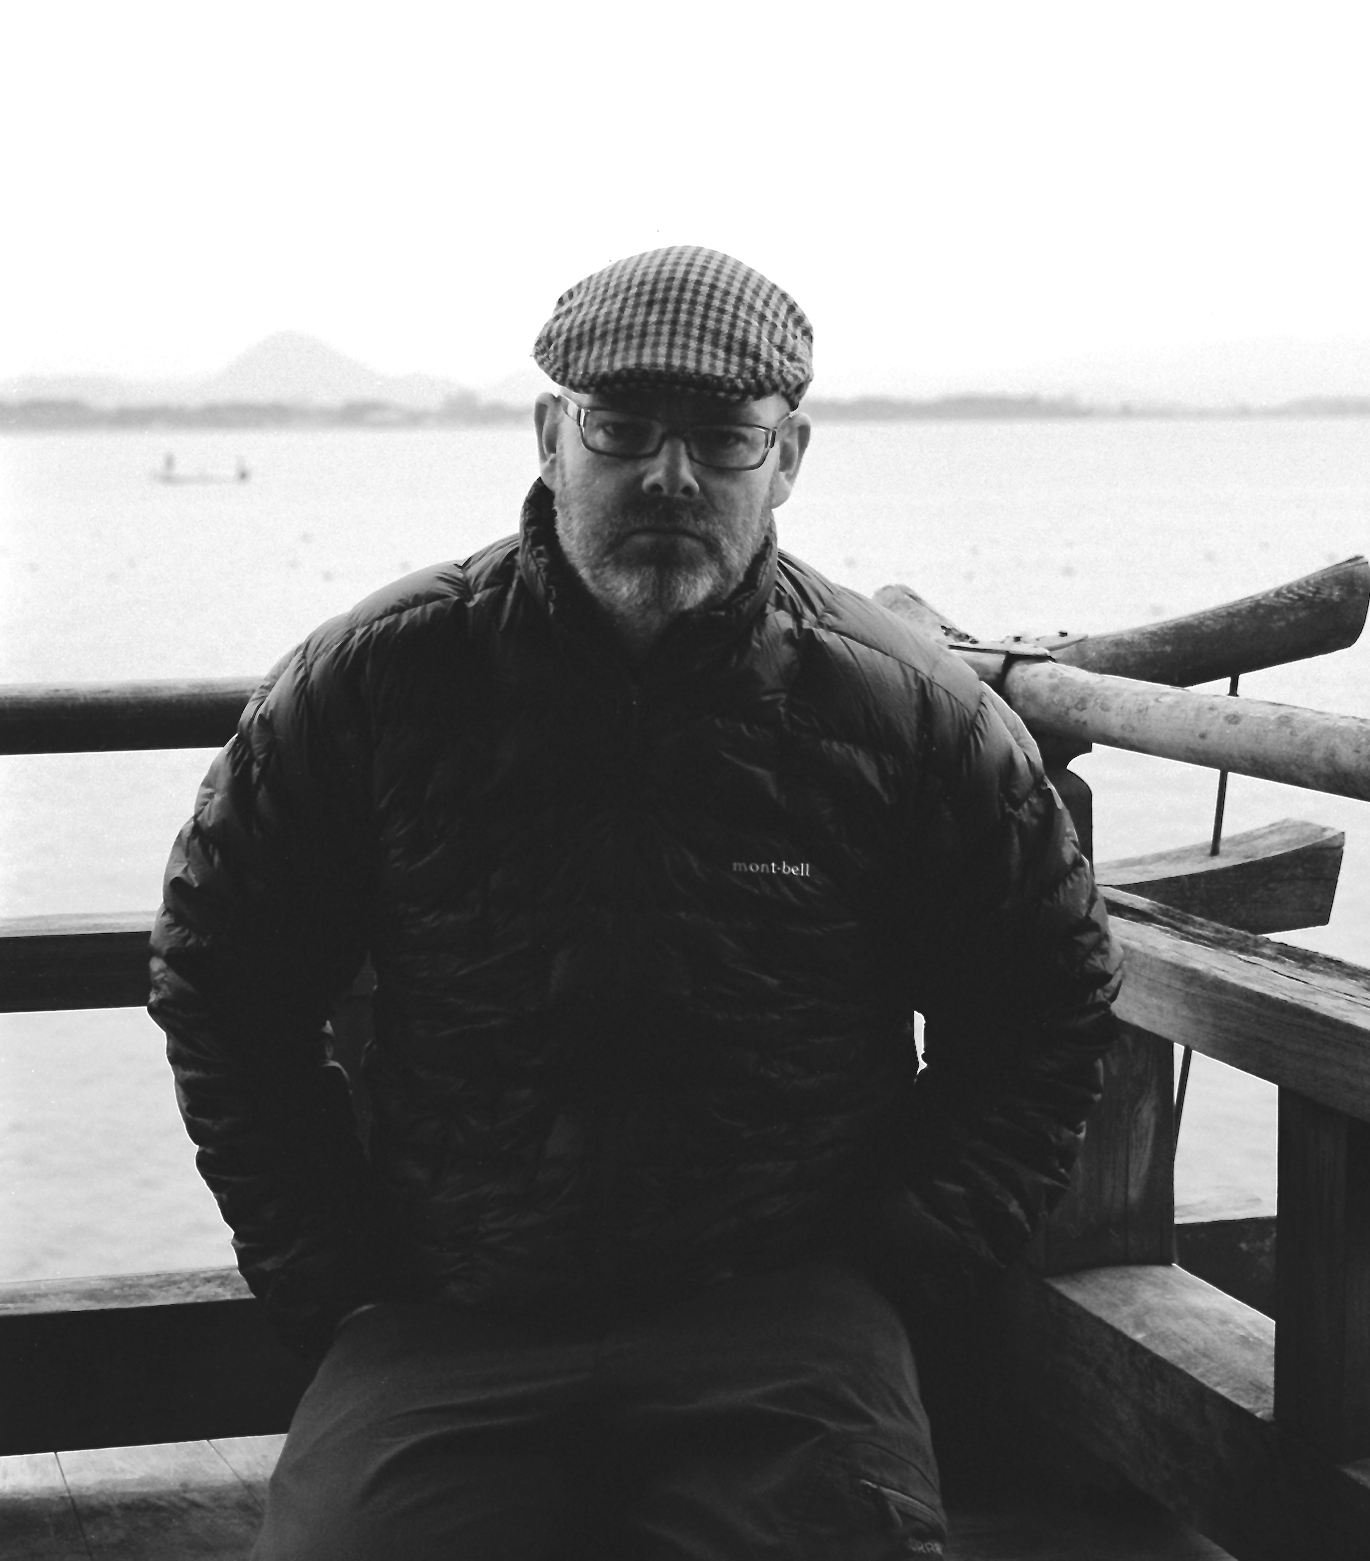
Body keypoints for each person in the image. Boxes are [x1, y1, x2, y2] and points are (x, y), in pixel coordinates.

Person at [150, 245, 1120, 1559]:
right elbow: (224, 975)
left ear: (788, 457)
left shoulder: (911, 718)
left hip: (787, 1319)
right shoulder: (377, 686)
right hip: (447, 1312)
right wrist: (338, 1275)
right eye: (623, 429)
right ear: (551, 436)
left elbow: (1043, 1005)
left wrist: (891, 1273)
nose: (671, 475)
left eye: (722, 438)